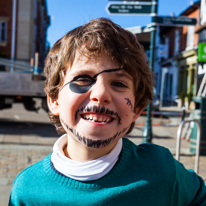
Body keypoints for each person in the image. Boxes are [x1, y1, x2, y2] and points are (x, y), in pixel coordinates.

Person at [9, 18, 206, 206]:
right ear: (54, 99)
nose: (101, 94)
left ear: (137, 109)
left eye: (119, 83)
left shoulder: (161, 170)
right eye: (83, 79)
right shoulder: (28, 190)